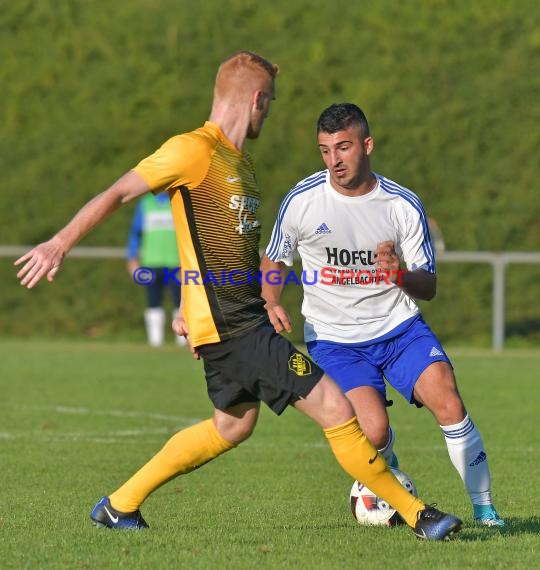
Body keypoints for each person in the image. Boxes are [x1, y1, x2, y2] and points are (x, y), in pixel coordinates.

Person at [14, 53, 462, 540]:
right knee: (336, 408)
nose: (266, 114)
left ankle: (119, 504)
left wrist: (204, 306)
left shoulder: (239, 165)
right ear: (255, 98)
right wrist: (60, 242)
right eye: (267, 104)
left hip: (234, 319)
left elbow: (205, 246)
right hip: (235, 326)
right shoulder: (192, 150)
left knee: (231, 427)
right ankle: (419, 515)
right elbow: (118, 193)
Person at [261, 102, 504, 527]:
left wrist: (399, 275)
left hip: (400, 329)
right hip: (336, 339)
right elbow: (275, 259)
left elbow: (428, 285)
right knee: (371, 432)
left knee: (448, 399)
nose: (334, 160)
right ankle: (385, 472)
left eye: (343, 147)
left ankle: (485, 511)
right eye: (324, 150)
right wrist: (271, 301)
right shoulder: (302, 201)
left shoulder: (401, 204)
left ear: (367, 145)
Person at [126, 192, 187, 347]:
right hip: (150, 263)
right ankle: (155, 343)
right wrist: (132, 258)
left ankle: (182, 340)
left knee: (179, 302)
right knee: (153, 302)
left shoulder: (178, 201)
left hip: (175, 263)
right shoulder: (146, 203)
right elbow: (135, 233)